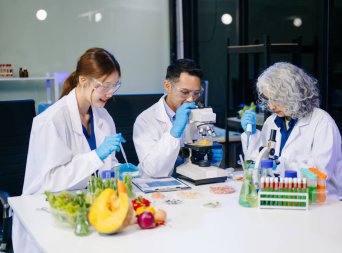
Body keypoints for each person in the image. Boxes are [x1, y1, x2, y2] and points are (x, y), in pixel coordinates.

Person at [12, 48, 138, 253]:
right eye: (104, 86)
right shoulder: (52, 120)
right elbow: (51, 180)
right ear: (83, 80)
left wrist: (117, 168)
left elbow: (104, 164)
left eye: (115, 86)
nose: (110, 93)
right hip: (46, 212)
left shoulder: (104, 117)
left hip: (86, 209)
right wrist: (97, 155)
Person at [241, 62, 342, 199]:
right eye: (267, 99)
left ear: (294, 95)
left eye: (276, 99)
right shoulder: (271, 122)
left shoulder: (322, 123)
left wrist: (280, 165)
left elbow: (319, 174)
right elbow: (257, 165)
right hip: (284, 197)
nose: (270, 106)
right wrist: (251, 136)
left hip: (325, 201)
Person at [133, 59, 223, 177]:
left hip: (190, 182)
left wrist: (211, 157)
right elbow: (153, 170)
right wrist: (174, 133)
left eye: (196, 93)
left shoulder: (196, 115)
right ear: (167, 86)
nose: (191, 99)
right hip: (159, 186)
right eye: (185, 92)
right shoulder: (146, 120)